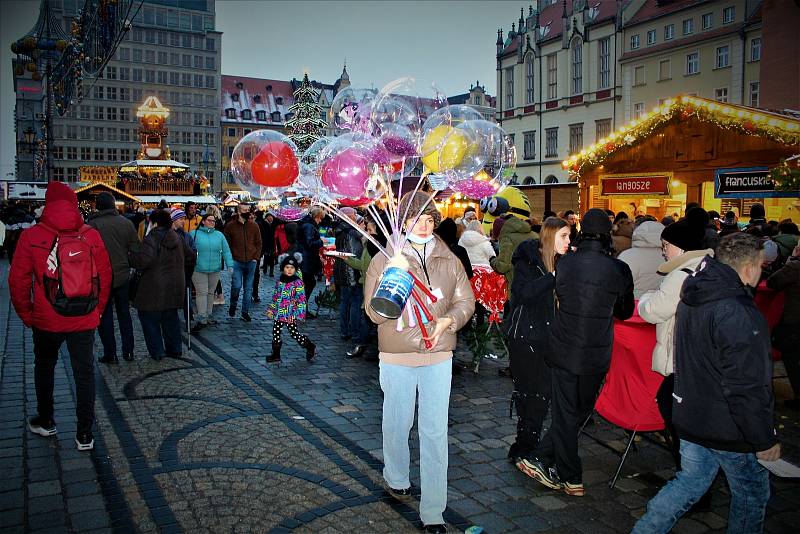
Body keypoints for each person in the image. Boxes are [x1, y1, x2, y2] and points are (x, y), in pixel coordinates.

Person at [632, 233, 780, 534]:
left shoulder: (694, 292)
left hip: (691, 413)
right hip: (727, 424)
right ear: (750, 268)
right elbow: (747, 383)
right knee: (751, 493)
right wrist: (763, 437)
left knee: (690, 482)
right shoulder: (737, 310)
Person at [364, 191, 475, 533]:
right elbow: (373, 314)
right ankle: (396, 476)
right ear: (405, 221)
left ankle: (433, 511)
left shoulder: (449, 257)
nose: (425, 226)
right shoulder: (385, 258)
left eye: (430, 219)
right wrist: (391, 281)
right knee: (398, 421)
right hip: (397, 352)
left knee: (434, 430)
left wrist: (450, 321)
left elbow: (465, 300)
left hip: (438, 351)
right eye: (418, 219)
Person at [520, 208, 633, 497]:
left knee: (568, 413)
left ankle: (557, 468)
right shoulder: (619, 269)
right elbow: (625, 310)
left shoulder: (567, 264)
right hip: (597, 353)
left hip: (565, 349)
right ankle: (565, 471)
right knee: (577, 411)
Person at [9, 182, 112, 450]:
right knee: (84, 374)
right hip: (84, 318)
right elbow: (105, 275)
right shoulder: (90, 235)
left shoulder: (31, 236)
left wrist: (27, 314)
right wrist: (97, 310)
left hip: (46, 318)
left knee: (45, 368)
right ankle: (85, 434)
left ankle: (46, 420)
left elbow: (17, 281)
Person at [638, 208, 715, 482]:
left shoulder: (680, 274)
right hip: (697, 357)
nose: (663, 251)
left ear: (681, 247)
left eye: (666, 246)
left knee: (675, 413)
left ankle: (691, 477)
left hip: (680, 356)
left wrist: (648, 296)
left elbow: (653, 310)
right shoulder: (706, 267)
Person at [506, 217, 570, 465]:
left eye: (569, 236)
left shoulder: (567, 262)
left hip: (553, 339)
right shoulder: (528, 260)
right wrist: (553, 276)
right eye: (563, 236)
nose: (568, 241)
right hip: (526, 337)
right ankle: (524, 445)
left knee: (543, 394)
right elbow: (524, 294)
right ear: (550, 236)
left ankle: (530, 446)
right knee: (528, 393)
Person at [130, 209, 192, 360]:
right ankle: (175, 349)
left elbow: (144, 260)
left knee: (149, 319)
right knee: (170, 319)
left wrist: (131, 257)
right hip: (175, 286)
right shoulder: (177, 237)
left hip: (153, 288)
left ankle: (157, 352)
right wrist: (183, 275)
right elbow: (190, 256)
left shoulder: (151, 238)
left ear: (155, 222)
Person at [88, 192, 140, 363]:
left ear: (98, 205)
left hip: (101, 277)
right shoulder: (126, 223)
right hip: (123, 275)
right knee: (124, 314)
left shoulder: (93, 225)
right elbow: (135, 250)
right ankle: (129, 351)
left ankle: (111, 353)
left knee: (105, 315)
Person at [343, 218, 385, 360]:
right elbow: (363, 264)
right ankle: (365, 346)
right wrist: (346, 259)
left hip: (376, 289)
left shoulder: (377, 247)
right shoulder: (369, 245)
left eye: (370, 230)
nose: (367, 232)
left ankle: (363, 346)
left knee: (368, 318)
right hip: (368, 287)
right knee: (368, 319)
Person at [266, 254, 316, 363]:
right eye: (287, 267)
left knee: (294, 333)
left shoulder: (297, 283)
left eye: (292, 268)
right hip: (279, 313)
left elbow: (302, 300)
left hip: (290, 314)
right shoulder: (280, 282)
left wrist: (300, 314)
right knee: (276, 332)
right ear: (283, 268)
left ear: (295, 269)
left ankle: (309, 346)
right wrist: (272, 309)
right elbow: (276, 297)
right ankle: (276, 354)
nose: (289, 270)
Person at [768, 242, 800, 410]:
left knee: (792, 357)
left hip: (794, 320)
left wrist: (792, 259)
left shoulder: (794, 267)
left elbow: (773, 282)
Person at [191, 213, 234, 333]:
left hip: (215, 269)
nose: (212, 223)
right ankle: (202, 317)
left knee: (211, 293)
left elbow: (226, 251)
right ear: (203, 221)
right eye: (210, 220)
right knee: (201, 293)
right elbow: (188, 250)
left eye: (214, 221)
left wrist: (229, 264)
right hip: (198, 269)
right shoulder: (194, 234)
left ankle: (208, 315)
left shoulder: (219, 235)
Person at [224, 203, 262, 322]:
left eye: (248, 210)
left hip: (251, 261)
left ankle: (245, 312)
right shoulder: (230, 226)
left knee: (248, 288)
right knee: (236, 286)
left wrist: (256, 257)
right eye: (245, 210)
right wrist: (230, 259)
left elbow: (259, 243)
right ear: (239, 212)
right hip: (237, 261)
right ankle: (233, 304)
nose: (248, 212)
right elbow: (226, 245)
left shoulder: (254, 226)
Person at [333, 207, 365, 342]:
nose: (355, 216)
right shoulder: (352, 232)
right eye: (354, 214)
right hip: (352, 272)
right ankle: (354, 332)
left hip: (342, 271)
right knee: (355, 303)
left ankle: (344, 330)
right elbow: (355, 254)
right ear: (349, 216)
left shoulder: (340, 229)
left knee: (345, 302)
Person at [617, 220, 666, 298]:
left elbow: (618, 284)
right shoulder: (668, 256)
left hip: (631, 303)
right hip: (658, 303)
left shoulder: (628, 255)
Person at [296, 207, 325, 316]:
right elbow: (310, 243)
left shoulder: (307, 224)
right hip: (306, 259)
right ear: (316, 217)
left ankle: (302, 308)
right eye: (320, 218)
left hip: (304, 258)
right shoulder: (309, 226)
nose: (320, 221)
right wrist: (321, 241)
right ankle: (302, 309)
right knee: (309, 283)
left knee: (307, 283)